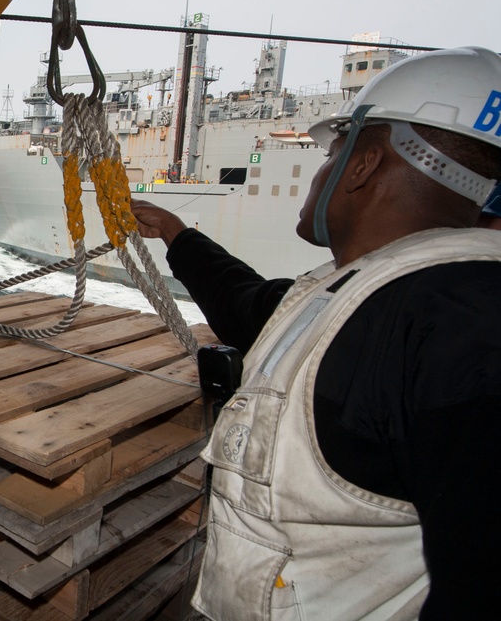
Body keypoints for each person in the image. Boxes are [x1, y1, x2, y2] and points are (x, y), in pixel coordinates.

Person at [131, 46, 501, 619]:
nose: (321, 169)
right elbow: (255, 309)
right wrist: (177, 234)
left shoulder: (466, 332)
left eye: (332, 152)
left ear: (363, 164)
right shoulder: (366, 288)